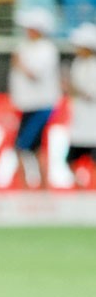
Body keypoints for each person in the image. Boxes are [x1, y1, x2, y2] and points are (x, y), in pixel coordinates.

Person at [8, 7, 61, 189]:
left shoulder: (47, 49)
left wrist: (20, 63)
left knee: (20, 147)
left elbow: (36, 74)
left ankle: (30, 187)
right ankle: (40, 187)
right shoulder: (24, 46)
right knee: (37, 148)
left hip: (40, 105)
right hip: (27, 104)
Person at [66, 23, 96, 189]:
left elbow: (90, 94)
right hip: (79, 123)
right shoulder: (77, 63)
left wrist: (74, 88)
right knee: (70, 160)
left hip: (93, 124)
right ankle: (82, 189)